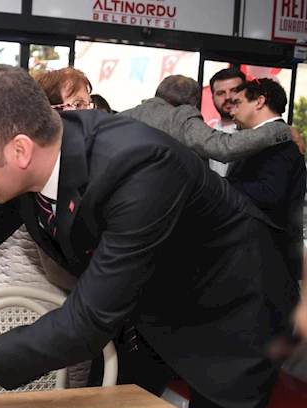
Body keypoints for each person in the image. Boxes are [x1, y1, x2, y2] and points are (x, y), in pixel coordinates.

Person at [0, 65, 298, 408]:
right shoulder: (31, 163)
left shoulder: (138, 166)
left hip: (233, 316)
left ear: (19, 150)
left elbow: (85, 322)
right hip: (152, 311)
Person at [227, 78, 306, 281]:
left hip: (268, 260)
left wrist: (221, 185)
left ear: (260, 102)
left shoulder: (280, 143)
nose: (232, 111)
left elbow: (269, 193)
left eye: (238, 103)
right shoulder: (269, 139)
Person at [120, 75, 300, 163]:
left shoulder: (120, 117)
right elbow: (224, 147)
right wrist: (280, 129)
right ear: (191, 104)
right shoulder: (179, 117)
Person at [208, 68, 246, 177]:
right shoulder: (207, 135)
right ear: (213, 98)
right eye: (221, 93)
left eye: (234, 90)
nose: (228, 97)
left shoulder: (259, 132)